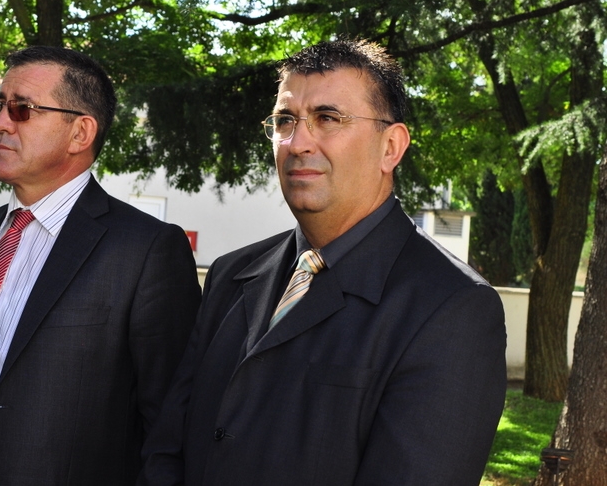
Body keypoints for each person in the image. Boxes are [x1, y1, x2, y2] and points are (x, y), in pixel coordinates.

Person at [138, 38, 507, 486]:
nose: (297, 143)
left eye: (328, 118)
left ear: (391, 147)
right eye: (285, 120)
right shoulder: (230, 274)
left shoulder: (452, 307)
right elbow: (167, 448)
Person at [0, 46, 202, 486]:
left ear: (80, 133)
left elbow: (171, 428)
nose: (0, 123)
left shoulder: (145, 250)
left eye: (22, 109)